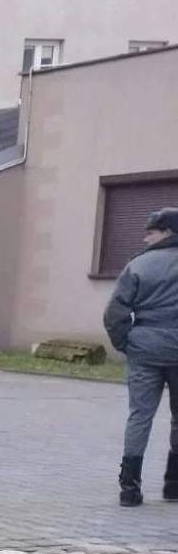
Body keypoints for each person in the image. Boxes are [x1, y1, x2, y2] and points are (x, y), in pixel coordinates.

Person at [103, 206, 178, 507]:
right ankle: (174, 484)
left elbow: (114, 313)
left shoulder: (138, 265)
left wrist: (127, 342)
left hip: (144, 348)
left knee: (139, 416)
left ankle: (129, 487)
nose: (146, 237)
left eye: (152, 231)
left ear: (168, 232)